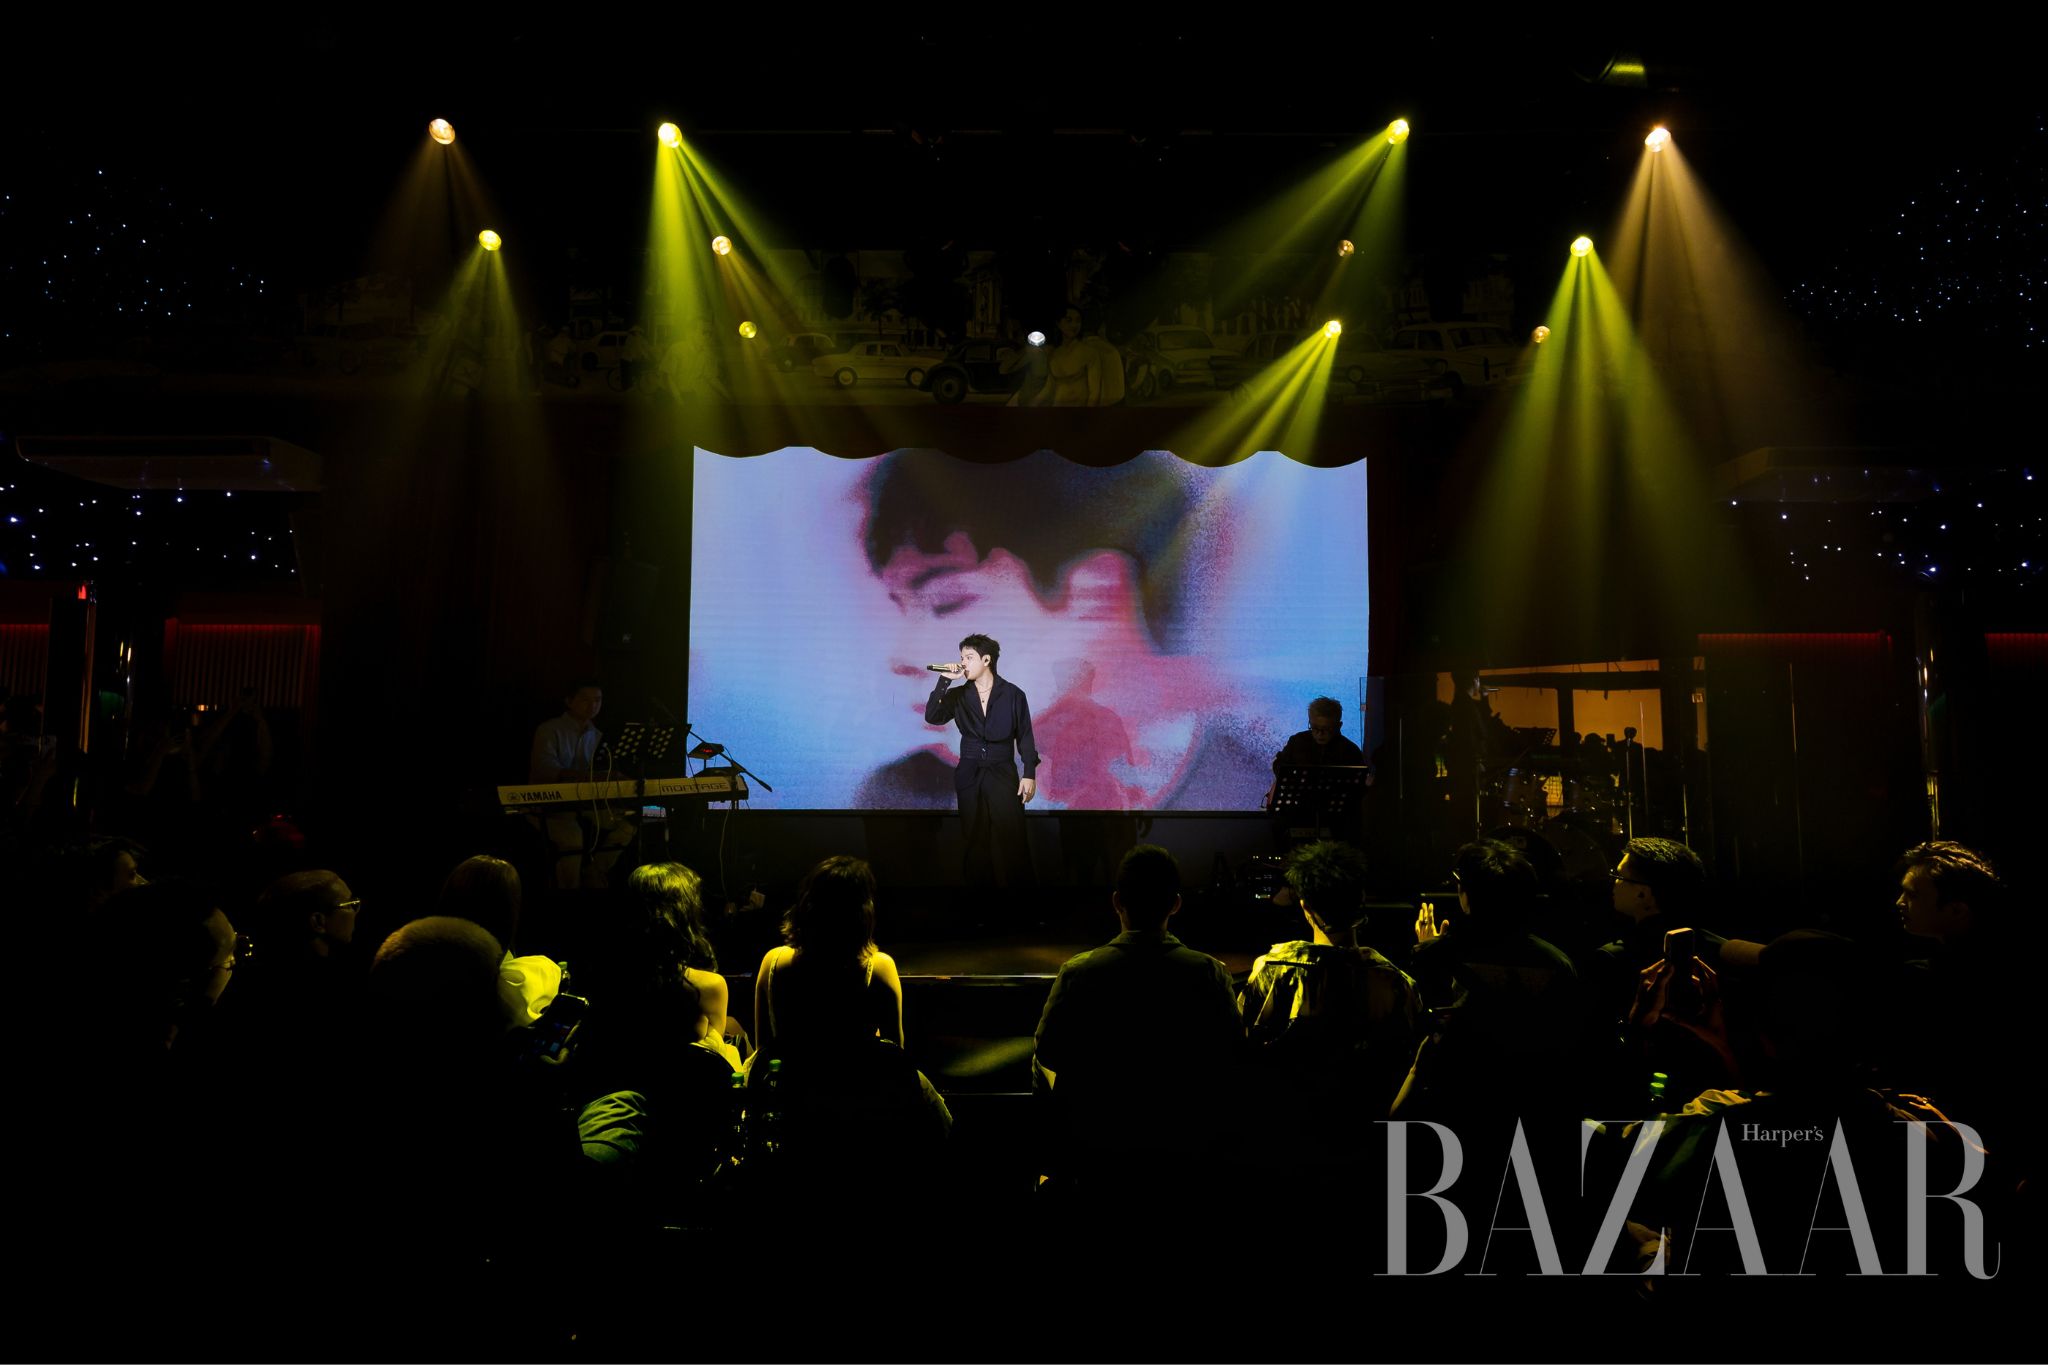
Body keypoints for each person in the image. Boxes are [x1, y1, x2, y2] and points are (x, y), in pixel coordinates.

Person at [858, 450, 1278, 810]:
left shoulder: (1250, 786)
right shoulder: (905, 798)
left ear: (1097, 592)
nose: (901, 656)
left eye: (947, 602)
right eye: (900, 607)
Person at [1032, 845, 1242, 1185]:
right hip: (1185, 1148)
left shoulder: (1078, 972)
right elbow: (1232, 1055)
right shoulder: (1209, 973)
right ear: (1175, 904)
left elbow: (1048, 1052)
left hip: (1097, 1147)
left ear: (1117, 902)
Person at [1239, 840, 1421, 1122]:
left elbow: (1242, 1047)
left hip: (1284, 1123)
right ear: (1361, 899)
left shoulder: (1271, 970)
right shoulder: (1397, 983)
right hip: (1366, 1126)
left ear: (1305, 907)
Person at [752, 855, 905, 1056]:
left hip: (793, 1075)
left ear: (806, 906)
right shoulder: (880, 968)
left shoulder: (773, 962)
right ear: (862, 914)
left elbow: (762, 1052)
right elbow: (896, 1057)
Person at [926, 633, 1039, 896]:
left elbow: (1025, 735)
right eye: (961, 657)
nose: (963, 663)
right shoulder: (958, 695)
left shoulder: (1013, 694)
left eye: (969, 657)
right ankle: (980, 906)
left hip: (1002, 771)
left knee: (1013, 838)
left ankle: (1025, 906)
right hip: (969, 771)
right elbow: (932, 716)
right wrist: (944, 680)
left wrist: (1029, 773)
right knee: (974, 841)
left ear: (986, 660)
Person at [529, 681, 634, 890]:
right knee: (572, 840)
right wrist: (594, 776)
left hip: (584, 804)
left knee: (628, 824)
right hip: (550, 805)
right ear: (569, 701)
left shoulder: (597, 735)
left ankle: (594, 872)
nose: (592, 705)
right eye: (585, 700)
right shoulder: (549, 729)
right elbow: (547, 769)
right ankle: (570, 894)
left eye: (597, 700)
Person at [1264, 695, 1365, 809]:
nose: (1320, 734)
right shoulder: (1297, 741)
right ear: (1310, 722)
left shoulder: (1350, 751)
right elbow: (1279, 764)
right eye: (1314, 728)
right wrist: (1291, 779)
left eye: (1326, 729)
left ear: (1338, 726)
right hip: (1298, 808)